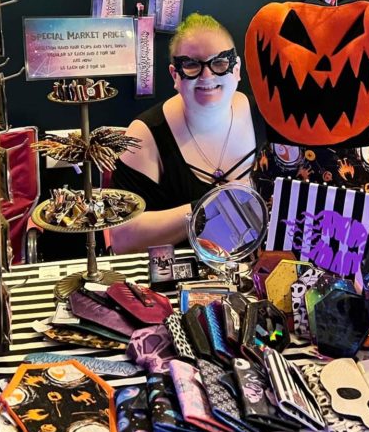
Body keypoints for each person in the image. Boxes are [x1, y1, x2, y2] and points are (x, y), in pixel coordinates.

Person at [110, 13, 263, 254]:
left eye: (220, 62)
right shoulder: (146, 134)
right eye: (191, 65)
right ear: (174, 75)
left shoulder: (267, 118)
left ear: (237, 69)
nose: (207, 76)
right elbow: (123, 238)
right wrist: (212, 207)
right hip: (180, 282)